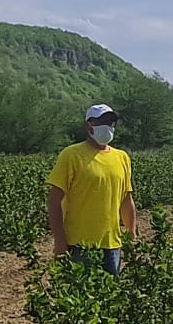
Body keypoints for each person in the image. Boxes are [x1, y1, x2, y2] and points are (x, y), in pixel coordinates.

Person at [48, 103, 137, 274]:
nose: (107, 126)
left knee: (111, 290)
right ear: (89, 126)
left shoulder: (122, 157)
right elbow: (54, 202)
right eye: (101, 122)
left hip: (112, 245)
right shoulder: (71, 155)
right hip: (79, 245)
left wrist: (131, 233)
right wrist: (59, 242)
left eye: (110, 123)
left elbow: (126, 199)